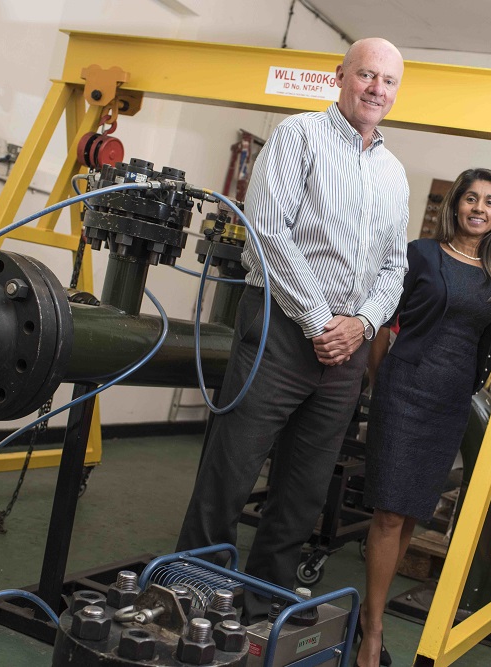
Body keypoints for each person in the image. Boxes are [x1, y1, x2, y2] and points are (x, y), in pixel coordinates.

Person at [175, 37, 409, 622]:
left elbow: (394, 267)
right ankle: (197, 588)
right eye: (367, 76)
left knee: (303, 485)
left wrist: (361, 323)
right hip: (282, 328)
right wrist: (319, 319)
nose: (377, 89)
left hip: (347, 347)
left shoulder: (394, 172)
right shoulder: (298, 135)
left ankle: (265, 595)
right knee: (231, 469)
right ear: (341, 76)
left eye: (389, 81)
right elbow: (270, 233)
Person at [356, 168, 491, 667]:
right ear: (456, 205)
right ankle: (373, 629)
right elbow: (383, 317)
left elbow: (485, 348)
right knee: (388, 511)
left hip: (449, 405)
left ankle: (372, 609)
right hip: (403, 389)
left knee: (412, 511)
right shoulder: (420, 253)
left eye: (489, 202)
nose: (478, 209)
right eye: (471, 198)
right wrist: (381, 382)